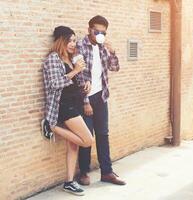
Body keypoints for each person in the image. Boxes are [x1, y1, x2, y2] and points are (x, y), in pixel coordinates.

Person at [41, 26, 94, 196]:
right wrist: (76, 71)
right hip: (63, 106)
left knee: (73, 145)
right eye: (70, 40)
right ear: (61, 40)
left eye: (74, 41)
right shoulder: (52, 59)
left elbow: (75, 81)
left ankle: (69, 182)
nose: (73, 44)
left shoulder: (71, 59)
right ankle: (52, 127)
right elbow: (55, 84)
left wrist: (85, 84)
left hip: (75, 103)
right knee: (87, 141)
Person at [76, 15, 126, 186]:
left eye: (103, 32)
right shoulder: (79, 47)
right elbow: (79, 77)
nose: (100, 35)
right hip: (86, 98)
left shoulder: (104, 47)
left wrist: (112, 52)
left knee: (103, 135)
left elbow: (115, 68)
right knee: (87, 136)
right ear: (89, 29)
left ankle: (107, 172)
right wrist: (85, 101)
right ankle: (83, 172)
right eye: (97, 31)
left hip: (102, 97)